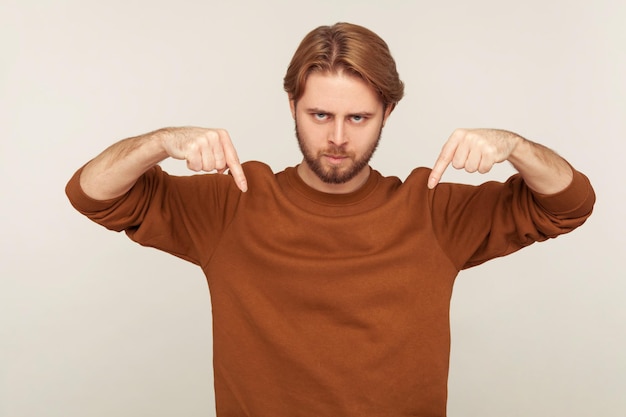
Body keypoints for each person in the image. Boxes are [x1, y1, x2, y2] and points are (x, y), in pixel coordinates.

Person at [66, 22, 595, 417]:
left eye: (358, 117)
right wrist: (160, 142)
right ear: (292, 105)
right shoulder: (234, 202)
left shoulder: (431, 209)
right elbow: (91, 194)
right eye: (320, 114)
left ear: (387, 113)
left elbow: (569, 205)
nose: (338, 137)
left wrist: (515, 147)